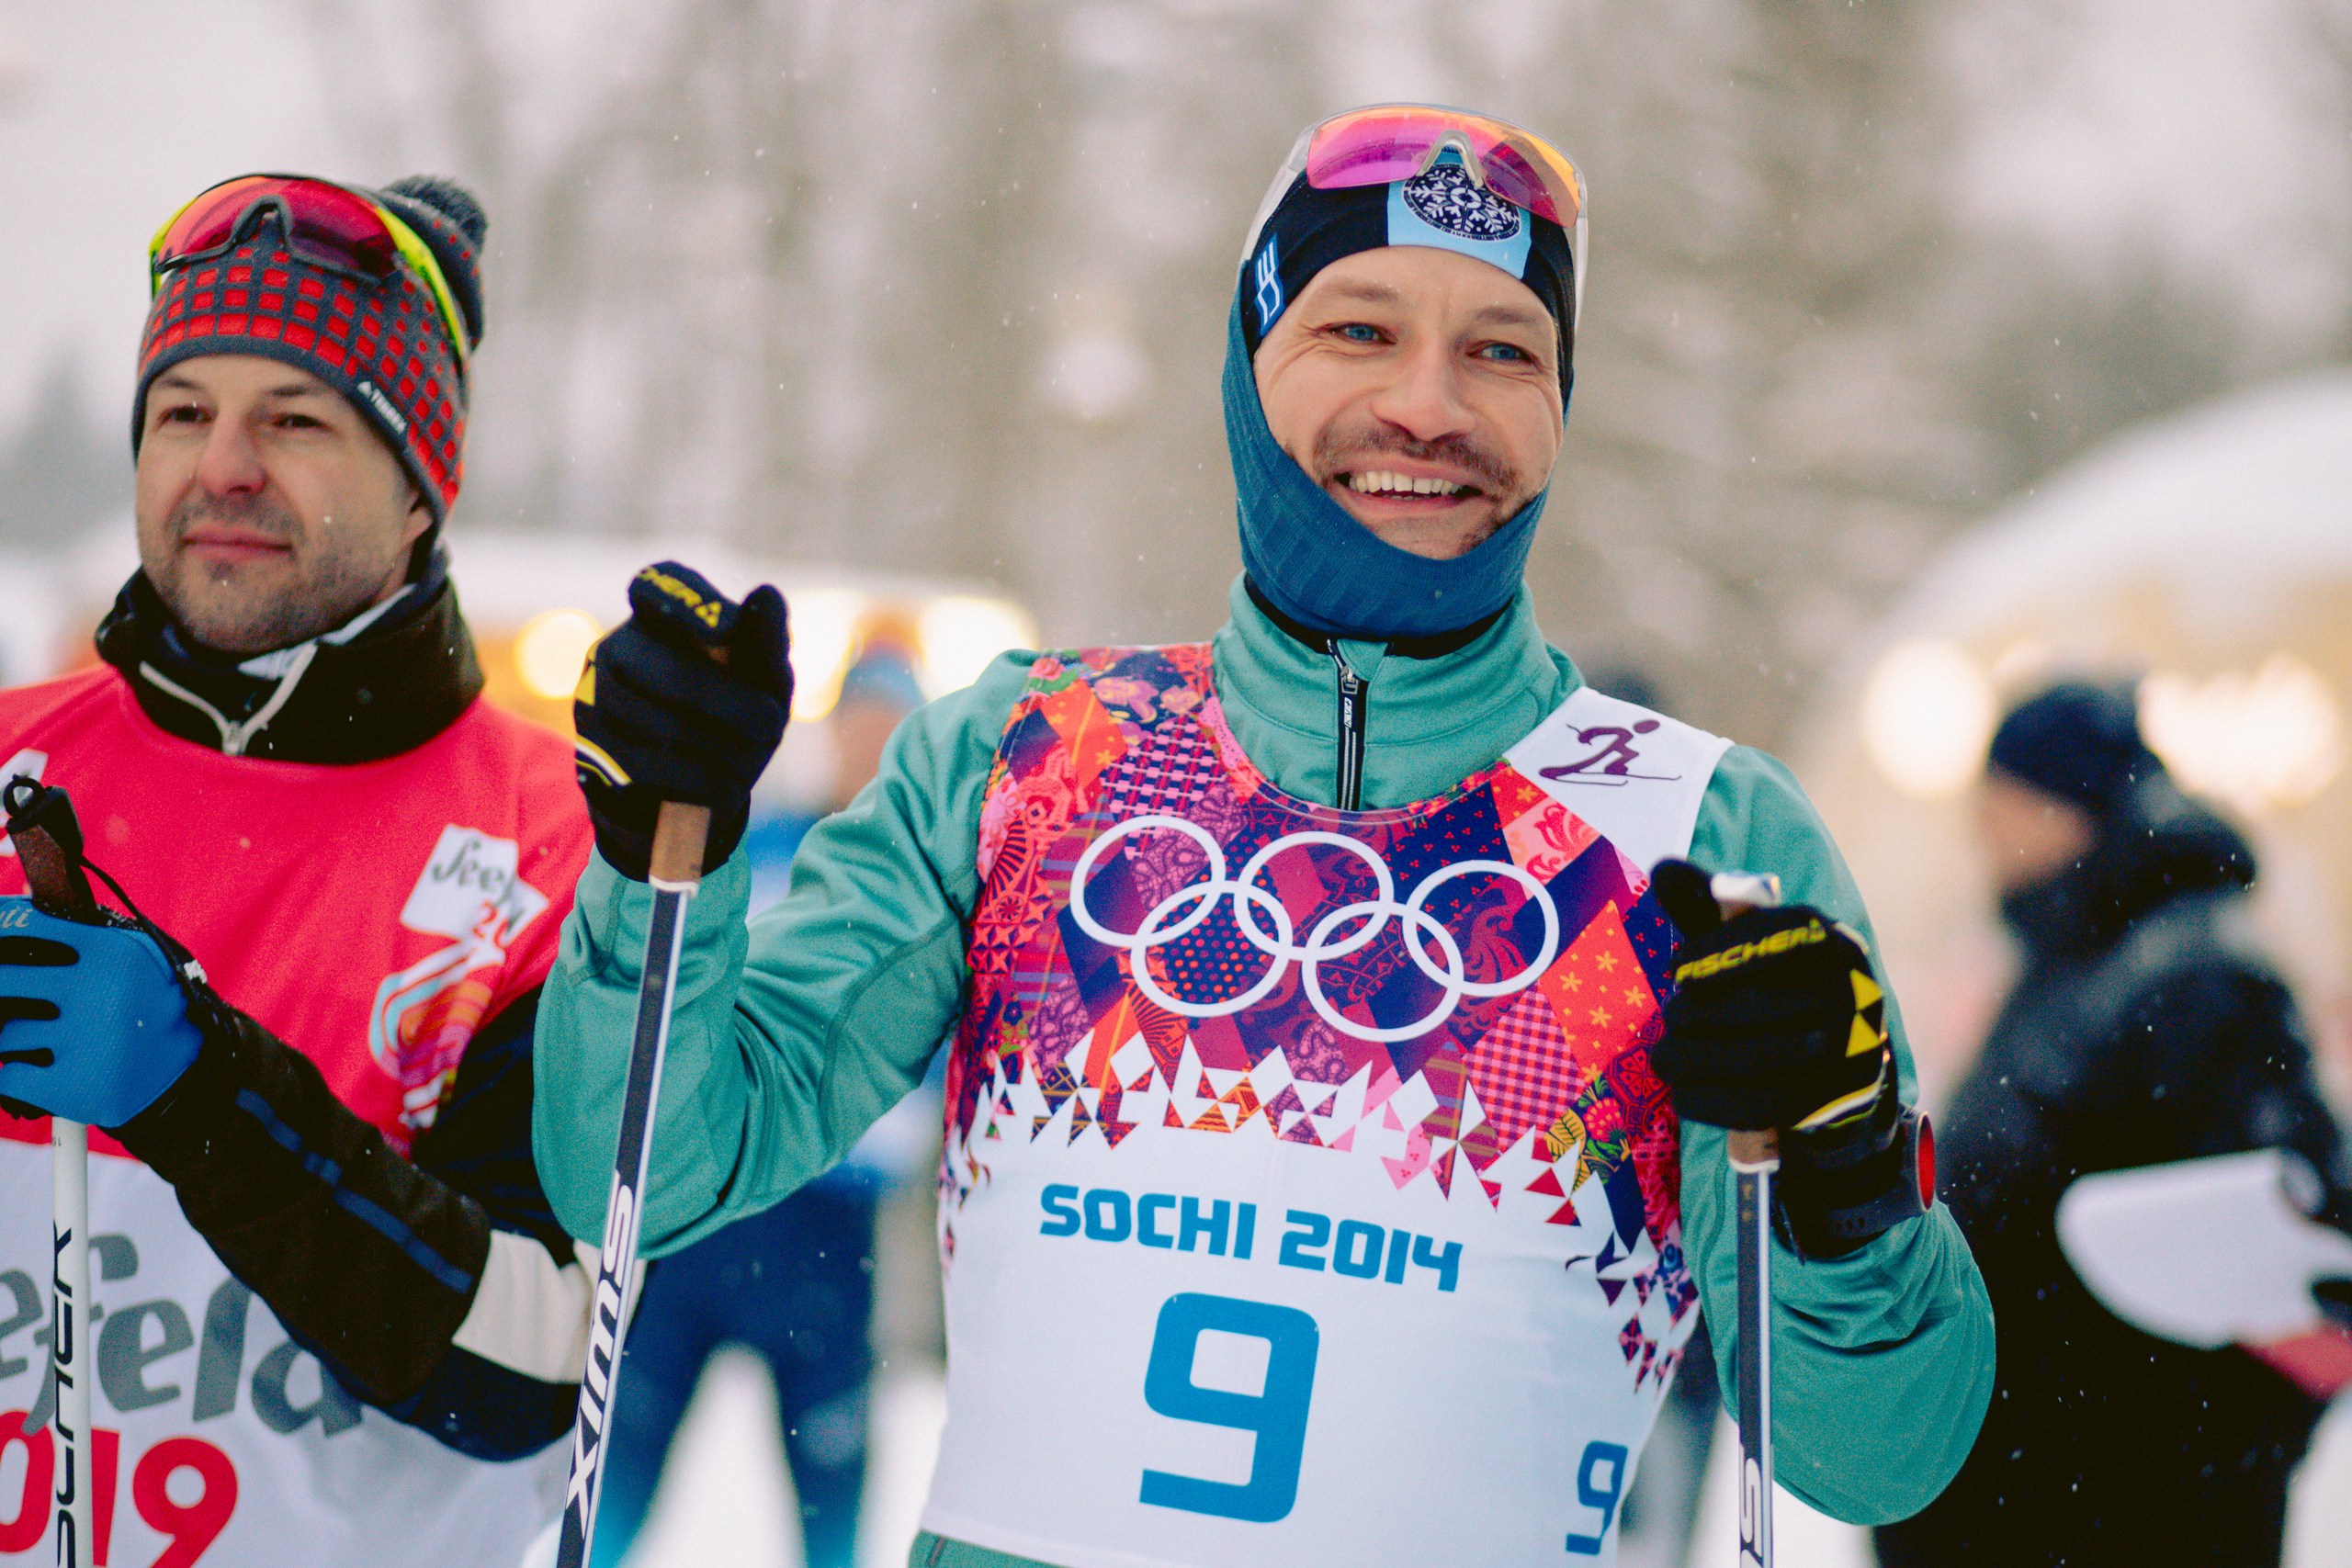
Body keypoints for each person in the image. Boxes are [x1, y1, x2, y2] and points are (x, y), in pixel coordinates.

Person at [537, 106, 1996, 1568]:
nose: (1428, 404)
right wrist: (667, 854)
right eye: (1360, 328)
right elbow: (644, 1164)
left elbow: (1872, 1455)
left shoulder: (1700, 837)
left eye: (1503, 348)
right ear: (1250, 362)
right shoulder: (1023, 756)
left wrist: (1846, 1168)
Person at [0, 174, 594, 1566]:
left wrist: (200, 1096)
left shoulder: (554, 844)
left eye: (297, 419)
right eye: (181, 413)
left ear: (420, 495)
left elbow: (531, 1369)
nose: (224, 467)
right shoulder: (16, 762)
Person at [1875, 682, 2350, 1567]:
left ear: (2068, 807)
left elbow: (2288, 1250)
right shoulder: (2076, 954)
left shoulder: (2197, 974)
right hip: (2034, 1485)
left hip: (2116, 1506)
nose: (1982, 837)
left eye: (2000, 807)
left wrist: (2194, 1460)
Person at [592, 647, 935, 1568]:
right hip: (708, 1209)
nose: (869, 749)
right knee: (620, 1465)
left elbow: (929, 1066)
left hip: (830, 1226)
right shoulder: (763, 844)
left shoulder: (924, 880)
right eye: (859, 727)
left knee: (833, 1490)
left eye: (891, 732)